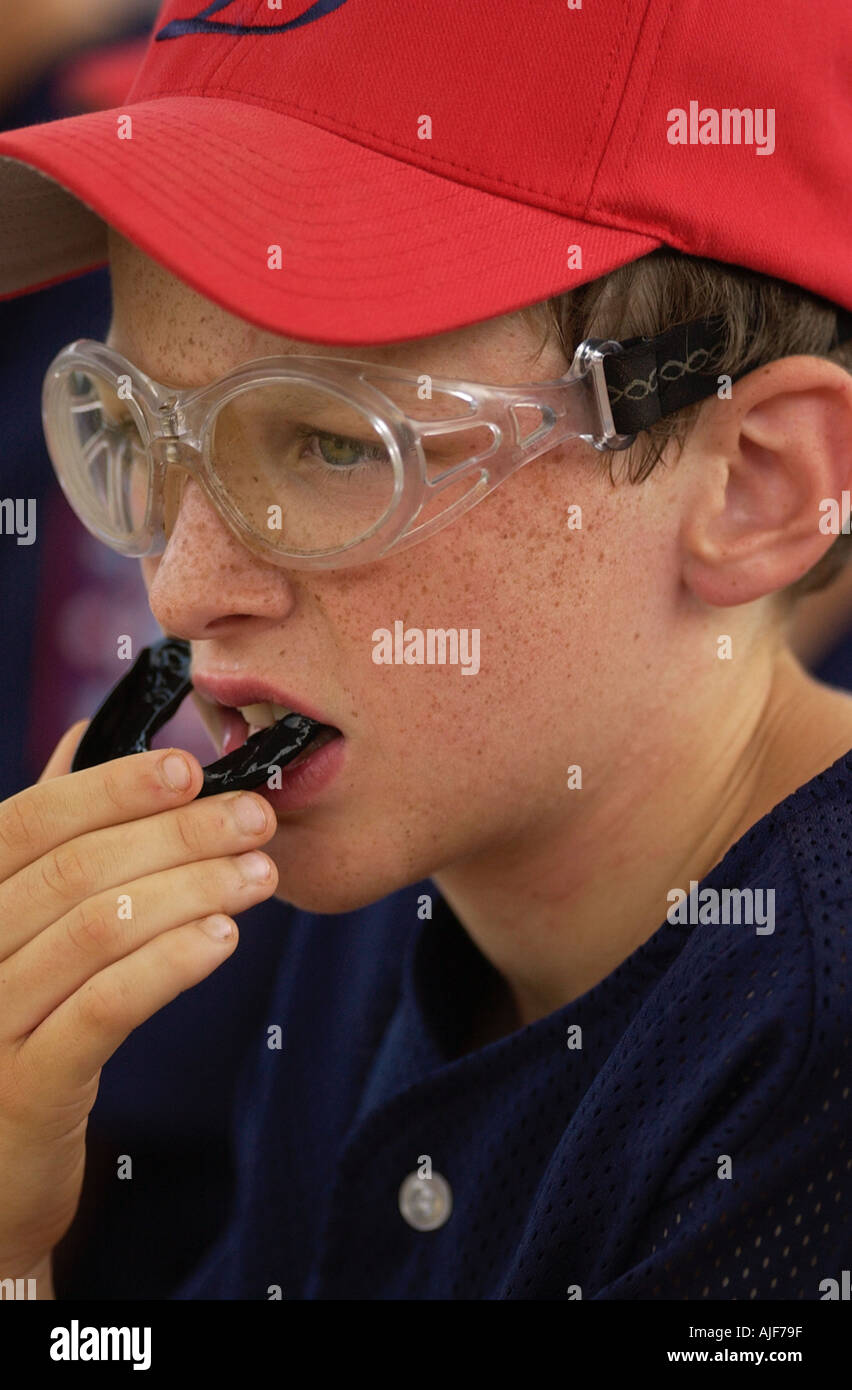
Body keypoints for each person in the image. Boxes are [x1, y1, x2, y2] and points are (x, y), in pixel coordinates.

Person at [0, 0, 849, 1303]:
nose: (182, 586)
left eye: (337, 443)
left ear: (760, 486)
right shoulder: (402, 884)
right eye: (142, 428)